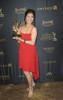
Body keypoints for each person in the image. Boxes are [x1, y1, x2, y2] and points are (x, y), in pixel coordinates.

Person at [12, 9, 40, 98]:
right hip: (23, 51)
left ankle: (31, 88)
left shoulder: (34, 29)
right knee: (28, 70)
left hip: (31, 52)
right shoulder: (20, 28)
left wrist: (21, 39)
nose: (30, 18)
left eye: (32, 17)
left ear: (33, 19)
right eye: (28, 16)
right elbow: (19, 42)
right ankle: (33, 83)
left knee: (26, 71)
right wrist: (17, 35)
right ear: (25, 17)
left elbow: (32, 42)